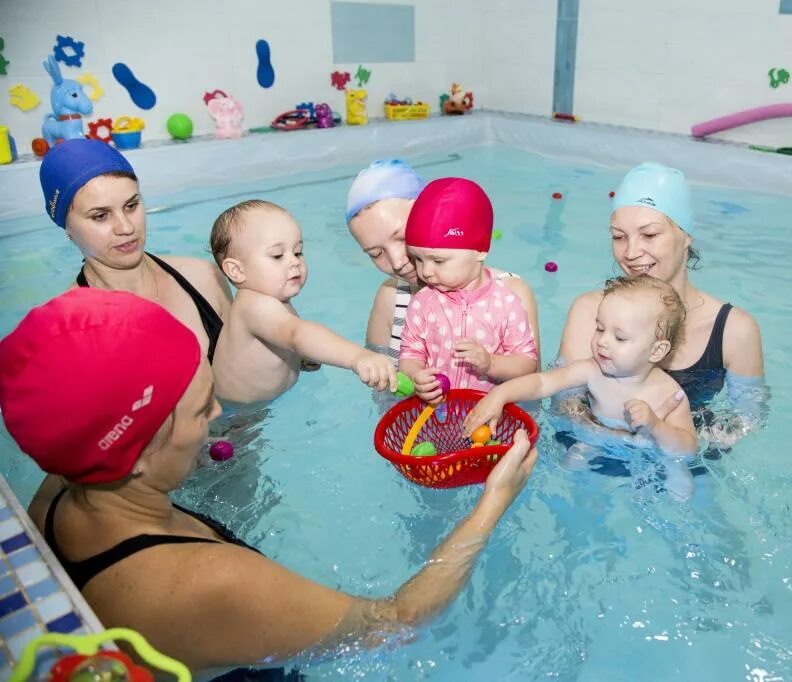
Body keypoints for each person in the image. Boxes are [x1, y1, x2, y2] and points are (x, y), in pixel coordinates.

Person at [0, 288, 538, 678]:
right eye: (196, 411)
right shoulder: (210, 586)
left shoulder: (56, 488)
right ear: (135, 453)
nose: (214, 414)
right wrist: (491, 504)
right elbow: (395, 623)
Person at [558, 162, 764, 438]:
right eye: (619, 237)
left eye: (650, 235)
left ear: (686, 236)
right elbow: (563, 407)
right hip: (594, 460)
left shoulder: (732, 330)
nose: (630, 252)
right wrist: (622, 440)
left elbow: (748, 420)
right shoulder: (589, 312)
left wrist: (675, 440)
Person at [465, 275, 697, 499]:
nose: (603, 341)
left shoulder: (669, 393)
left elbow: (687, 448)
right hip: (597, 437)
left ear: (657, 350)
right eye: (599, 328)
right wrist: (500, 394)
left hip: (650, 449)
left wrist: (656, 426)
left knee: (679, 481)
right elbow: (544, 382)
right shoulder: (592, 370)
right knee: (568, 469)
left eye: (620, 338)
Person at [40, 138, 231, 364]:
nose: (127, 228)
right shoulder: (68, 329)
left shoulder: (203, 278)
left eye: (131, 206)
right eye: (100, 216)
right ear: (67, 227)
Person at [346, 159, 540, 366]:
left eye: (402, 237)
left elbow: (530, 387)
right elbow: (381, 387)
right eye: (376, 253)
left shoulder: (509, 293)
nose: (396, 262)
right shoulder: (390, 297)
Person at [209, 200, 394, 403]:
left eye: (298, 252)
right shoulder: (252, 306)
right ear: (237, 271)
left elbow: (286, 338)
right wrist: (358, 357)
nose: (294, 261)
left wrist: (301, 358)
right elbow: (296, 334)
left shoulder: (275, 299)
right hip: (237, 420)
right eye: (277, 255)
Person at [397, 177, 539, 403]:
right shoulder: (423, 301)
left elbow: (527, 363)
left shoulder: (506, 302)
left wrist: (492, 363)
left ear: (480, 251)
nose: (426, 272)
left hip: (489, 414)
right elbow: (410, 353)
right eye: (418, 259)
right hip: (436, 413)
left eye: (438, 261)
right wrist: (416, 376)